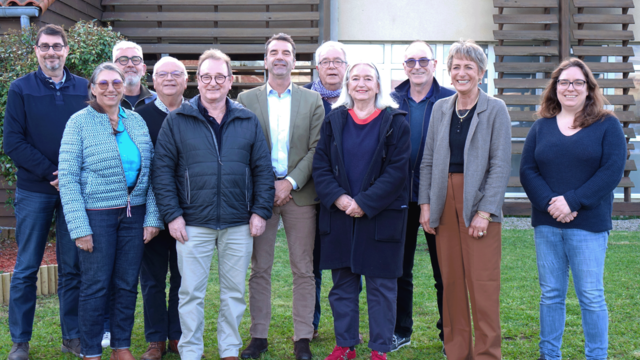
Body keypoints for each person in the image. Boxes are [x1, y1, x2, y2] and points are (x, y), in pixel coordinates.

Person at [152, 48, 274, 360]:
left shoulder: (247, 120)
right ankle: (191, 351)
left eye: (220, 76)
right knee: (191, 293)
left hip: (237, 222)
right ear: (197, 81)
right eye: (206, 77)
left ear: (231, 81)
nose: (213, 82)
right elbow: (162, 171)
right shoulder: (178, 120)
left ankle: (229, 349)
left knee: (233, 293)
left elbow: (262, 169)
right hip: (192, 222)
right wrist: (173, 215)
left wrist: (260, 211)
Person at [520, 58, 627, 360]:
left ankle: (596, 356)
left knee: (591, 297)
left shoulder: (608, 125)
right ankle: (549, 355)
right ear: (555, 88)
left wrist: (572, 201)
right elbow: (528, 170)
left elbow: (611, 172)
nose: (570, 87)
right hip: (547, 224)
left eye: (578, 82)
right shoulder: (541, 127)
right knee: (551, 295)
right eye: (564, 82)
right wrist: (551, 204)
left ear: (589, 89)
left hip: (588, 225)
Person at [58, 62, 163, 360]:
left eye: (115, 83)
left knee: (127, 284)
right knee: (95, 285)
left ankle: (121, 346)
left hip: (135, 214)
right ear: (92, 88)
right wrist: (79, 228)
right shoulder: (78, 123)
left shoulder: (136, 122)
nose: (110, 88)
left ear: (123, 86)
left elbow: (154, 172)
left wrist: (153, 217)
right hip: (96, 215)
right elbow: (67, 178)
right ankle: (90, 351)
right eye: (102, 83)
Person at [418, 39, 511, 360]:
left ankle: (487, 354)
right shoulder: (440, 108)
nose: (461, 73)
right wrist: (426, 204)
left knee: (483, 284)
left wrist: (485, 211)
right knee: (452, 282)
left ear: (481, 73)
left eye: (468, 67)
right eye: (455, 67)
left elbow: (500, 164)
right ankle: (457, 351)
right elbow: (428, 159)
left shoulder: (495, 108)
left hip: (479, 201)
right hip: (443, 201)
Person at [312, 62, 411, 360]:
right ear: (347, 85)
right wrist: (340, 199)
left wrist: (364, 203)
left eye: (368, 78)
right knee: (342, 286)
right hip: (340, 216)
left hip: (381, 216)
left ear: (379, 86)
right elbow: (321, 166)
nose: (361, 84)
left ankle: (379, 349)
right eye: (355, 78)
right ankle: (345, 346)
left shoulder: (395, 122)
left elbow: (397, 171)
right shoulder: (334, 121)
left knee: (381, 287)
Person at [237, 33, 324, 360]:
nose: (279, 57)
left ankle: (302, 337)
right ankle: (258, 335)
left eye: (286, 52)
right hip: (261, 198)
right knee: (259, 268)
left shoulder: (312, 101)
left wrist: (289, 181)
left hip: (300, 195)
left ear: (294, 60)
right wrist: (269, 185)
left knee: (303, 268)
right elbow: (243, 147)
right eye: (273, 52)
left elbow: (317, 149)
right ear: (265, 60)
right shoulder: (246, 100)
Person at [4, 24, 88, 360]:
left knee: (72, 267)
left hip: (75, 193)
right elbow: (13, 141)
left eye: (57, 46)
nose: (51, 52)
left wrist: (69, 177)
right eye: (44, 46)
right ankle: (20, 342)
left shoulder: (84, 88)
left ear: (67, 50)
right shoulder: (20, 89)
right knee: (26, 267)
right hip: (35, 191)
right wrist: (54, 173)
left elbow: (93, 135)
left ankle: (72, 337)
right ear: (36, 50)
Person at [389, 40, 455, 353]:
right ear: (404, 66)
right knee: (399, 270)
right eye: (410, 61)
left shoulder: (449, 99)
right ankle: (401, 331)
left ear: (434, 64)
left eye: (423, 60)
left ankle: (449, 336)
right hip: (398, 199)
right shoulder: (390, 100)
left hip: (437, 196)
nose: (417, 66)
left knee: (445, 270)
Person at [135, 56, 188, 360]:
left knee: (184, 278)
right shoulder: (138, 117)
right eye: (162, 74)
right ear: (153, 82)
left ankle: (178, 336)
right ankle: (155, 340)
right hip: (150, 214)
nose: (169, 79)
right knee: (152, 278)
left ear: (185, 80)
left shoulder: (196, 113)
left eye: (176, 74)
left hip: (189, 211)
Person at [303, 40, 348, 339]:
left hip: (347, 195)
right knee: (312, 263)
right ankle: (312, 324)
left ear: (346, 66)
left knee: (344, 262)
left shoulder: (358, 94)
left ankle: (347, 324)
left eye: (338, 61)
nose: (332, 66)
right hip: (310, 194)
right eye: (326, 61)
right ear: (317, 67)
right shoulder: (301, 98)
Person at [112, 40, 157, 110]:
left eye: (136, 60)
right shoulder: (104, 103)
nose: (130, 65)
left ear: (143, 69)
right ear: (113, 68)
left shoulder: (157, 101)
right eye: (123, 60)